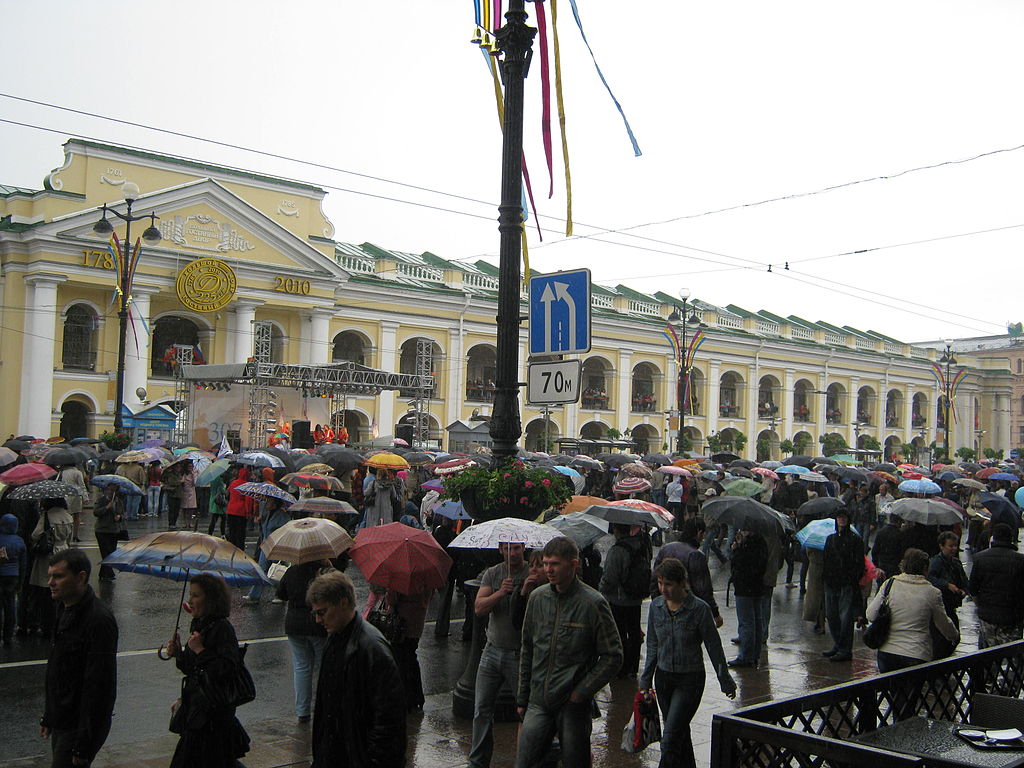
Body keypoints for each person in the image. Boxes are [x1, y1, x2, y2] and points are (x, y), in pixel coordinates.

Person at [515, 537, 622, 768]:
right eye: (545, 563)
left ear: (573, 565)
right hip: (539, 699)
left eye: (554, 564)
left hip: (571, 703)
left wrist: (581, 691)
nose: (548, 570)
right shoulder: (538, 598)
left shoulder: (592, 603)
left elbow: (613, 655)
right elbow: (528, 648)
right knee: (525, 760)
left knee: (576, 761)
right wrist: (523, 697)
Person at [640, 557, 736, 768]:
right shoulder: (656, 607)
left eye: (668, 584)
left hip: (689, 679)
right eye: (659, 583)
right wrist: (645, 679)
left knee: (671, 737)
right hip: (664, 679)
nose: (663, 589)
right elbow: (653, 645)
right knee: (679, 732)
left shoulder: (699, 609)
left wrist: (725, 679)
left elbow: (714, 646)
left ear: (682, 583)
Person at [306, 570, 406, 768]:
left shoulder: (372, 649)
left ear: (343, 602)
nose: (318, 620)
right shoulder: (335, 637)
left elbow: (388, 721)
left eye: (322, 612)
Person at [40, 548, 118, 768]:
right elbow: (56, 669)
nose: (51, 582)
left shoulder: (98, 621)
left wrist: (84, 742)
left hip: (78, 725)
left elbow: (99, 686)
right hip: (63, 718)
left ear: (81, 577)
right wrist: (49, 715)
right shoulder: (64, 608)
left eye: (58, 576)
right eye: (50, 576)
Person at [165, 573, 251, 767]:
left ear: (211, 599)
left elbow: (227, 669)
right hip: (199, 712)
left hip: (213, 716)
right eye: (190, 595)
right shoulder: (200, 624)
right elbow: (193, 668)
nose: (190, 600)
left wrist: (200, 650)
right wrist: (179, 653)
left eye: (196, 595)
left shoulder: (222, 628)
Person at [468, 542, 529, 768]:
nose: (512, 553)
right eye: (507, 548)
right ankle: (478, 761)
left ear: (523, 548)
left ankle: (525, 760)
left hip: (519, 654)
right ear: (501, 550)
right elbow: (479, 607)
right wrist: (501, 592)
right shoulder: (493, 574)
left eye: (516, 548)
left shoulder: (531, 573)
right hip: (492, 650)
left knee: (525, 709)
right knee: (482, 709)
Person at [866, 548, 958, 672]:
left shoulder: (890, 584)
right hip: (916, 653)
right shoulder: (932, 592)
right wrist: (953, 635)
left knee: (891, 688)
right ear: (925, 569)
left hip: (888, 652)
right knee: (912, 691)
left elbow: (871, 615)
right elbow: (943, 623)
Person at [276, 558, 331, 722]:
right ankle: (325, 705)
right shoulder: (322, 571)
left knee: (301, 666)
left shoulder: (292, 571)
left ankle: (302, 710)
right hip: (316, 623)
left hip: (294, 623)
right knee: (322, 666)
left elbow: (281, 594)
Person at [598, 523, 650, 678]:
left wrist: (601, 588)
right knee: (634, 632)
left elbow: (610, 577)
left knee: (619, 633)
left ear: (616, 530)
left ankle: (622, 667)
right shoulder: (642, 546)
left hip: (619, 599)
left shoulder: (617, 550)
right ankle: (633, 666)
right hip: (636, 598)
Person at [650, 517, 723, 628]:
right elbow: (703, 589)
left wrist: (657, 603)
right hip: (687, 612)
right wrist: (715, 614)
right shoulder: (696, 555)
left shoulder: (666, 549)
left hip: (665, 607)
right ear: (699, 532)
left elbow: (654, 580)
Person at [968, 523, 1024, 648]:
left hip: (988, 616)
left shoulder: (979, 558)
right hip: (1012, 617)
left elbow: (972, 589)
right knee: (1013, 655)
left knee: (988, 655)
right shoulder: (1020, 561)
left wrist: (981, 605)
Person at [821, 509, 865, 662]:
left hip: (846, 583)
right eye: (839, 517)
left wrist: (852, 577)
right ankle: (838, 644)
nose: (841, 520)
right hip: (831, 582)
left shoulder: (855, 540)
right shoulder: (830, 539)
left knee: (845, 617)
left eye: (844, 517)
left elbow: (860, 562)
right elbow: (825, 559)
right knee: (832, 615)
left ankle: (845, 648)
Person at [27, 499, 75, 637]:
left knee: (46, 589)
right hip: (63, 551)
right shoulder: (67, 515)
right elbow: (69, 538)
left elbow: (35, 534)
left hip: (48, 554)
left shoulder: (47, 515)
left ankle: (46, 624)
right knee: (61, 589)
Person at [728, 529, 767, 668]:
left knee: (747, 622)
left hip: (745, 586)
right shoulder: (761, 542)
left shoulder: (747, 545)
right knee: (756, 621)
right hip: (757, 586)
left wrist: (736, 549)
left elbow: (740, 564)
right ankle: (754, 654)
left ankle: (746, 656)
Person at [927, 531, 968, 659]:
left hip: (951, 604)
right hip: (941, 605)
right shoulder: (936, 562)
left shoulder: (956, 563)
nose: (954, 549)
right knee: (941, 639)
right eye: (950, 546)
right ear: (942, 546)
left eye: (955, 546)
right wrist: (946, 585)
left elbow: (964, 580)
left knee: (954, 636)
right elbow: (930, 579)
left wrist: (963, 590)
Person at [0, 512, 28, 645]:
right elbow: (23, 564)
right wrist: (21, 582)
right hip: (13, 576)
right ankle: (8, 635)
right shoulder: (19, 541)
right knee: (10, 605)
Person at [92, 485, 124, 582]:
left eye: (113, 490)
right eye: (109, 490)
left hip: (113, 530)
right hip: (102, 530)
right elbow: (96, 512)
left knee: (111, 552)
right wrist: (107, 507)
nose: (111, 492)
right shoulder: (101, 500)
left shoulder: (119, 502)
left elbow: (122, 513)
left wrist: (119, 517)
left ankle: (103, 573)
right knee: (105, 552)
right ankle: (108, 573)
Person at [225, 467, 256, 552]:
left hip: (231, 509)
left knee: (232, 531)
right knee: (240, 533)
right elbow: (248, 501)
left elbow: (227, 493)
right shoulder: (247, 485)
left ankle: (231, 548)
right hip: (241, 511)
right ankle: (239, 551)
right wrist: (249, 513)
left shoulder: (233, 483)